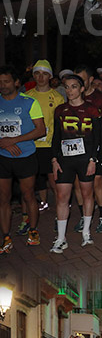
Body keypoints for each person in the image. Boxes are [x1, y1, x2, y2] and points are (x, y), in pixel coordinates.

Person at [50, 74, 102, 252]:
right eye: (67, 87)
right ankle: (60, 238)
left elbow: (97, 138)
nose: (69, 90)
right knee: (61, 197)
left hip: (85, 159)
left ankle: (86, 233)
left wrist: (93, 160)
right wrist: (54, 159)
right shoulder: (59, 110)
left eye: (74, 86)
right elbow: (56, 137)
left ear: (81, 89)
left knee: (87, 195)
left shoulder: (92, 110)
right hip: (65, 160)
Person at [0, 65, 45, 252]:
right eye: (0, 82)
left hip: (25, 156)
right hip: (3, 157)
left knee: (28, 196)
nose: (2, 85)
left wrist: (14, 140)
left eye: (7, 81)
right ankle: (6, 237)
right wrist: (4, 143)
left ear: (17, 82)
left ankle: (33, 231)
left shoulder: (29, 102)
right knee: (4, 198)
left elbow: (40, 130)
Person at [26, 60, 64, 209]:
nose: (40, 77)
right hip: (31, 144)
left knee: (53, 179)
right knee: (35, 181)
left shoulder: (57, 98)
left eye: (44, 74)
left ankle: (59, 209)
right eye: (37, 73)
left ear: (50, 76)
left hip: (49, 144)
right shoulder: (27, 96)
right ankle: (43, 203)